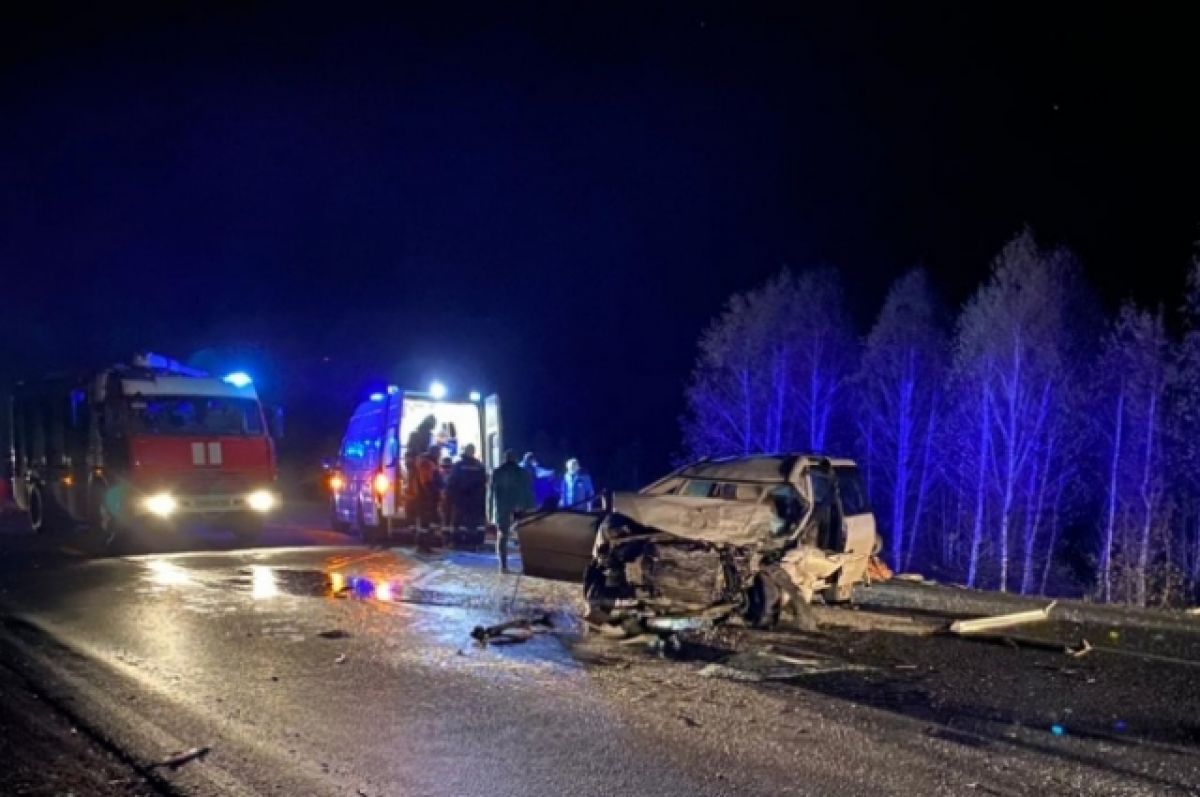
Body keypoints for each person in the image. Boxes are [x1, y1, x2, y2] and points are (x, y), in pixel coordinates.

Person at [490, 449, 535, 573]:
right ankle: (526, 565)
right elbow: (528, 493)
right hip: (519, 508)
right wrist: (530, 509)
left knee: (502, 535)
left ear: (505, 458)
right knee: (523, 537)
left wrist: (490, 513)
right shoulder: (523, 473)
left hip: (502, 508)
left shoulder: (497, 472)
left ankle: (503, 566)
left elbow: (491, 494)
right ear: (515, 459)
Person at [447, 443, 487, 543]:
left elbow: (452, 482)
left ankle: (458, 541)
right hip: (475, 499)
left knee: (459, 521)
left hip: (461, 498)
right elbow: (484, 482)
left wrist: (452, 497)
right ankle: (475, 540)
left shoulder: (458, 465)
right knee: (474, 521)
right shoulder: (479, 466)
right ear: (473, 452)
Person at [404, 415, 437, 526]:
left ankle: (415, 522)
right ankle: (421, 522)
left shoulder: (418, 435)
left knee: (416, 496)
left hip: (419, 471)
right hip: (420, 470)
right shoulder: (421, 436)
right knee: (421, 496)